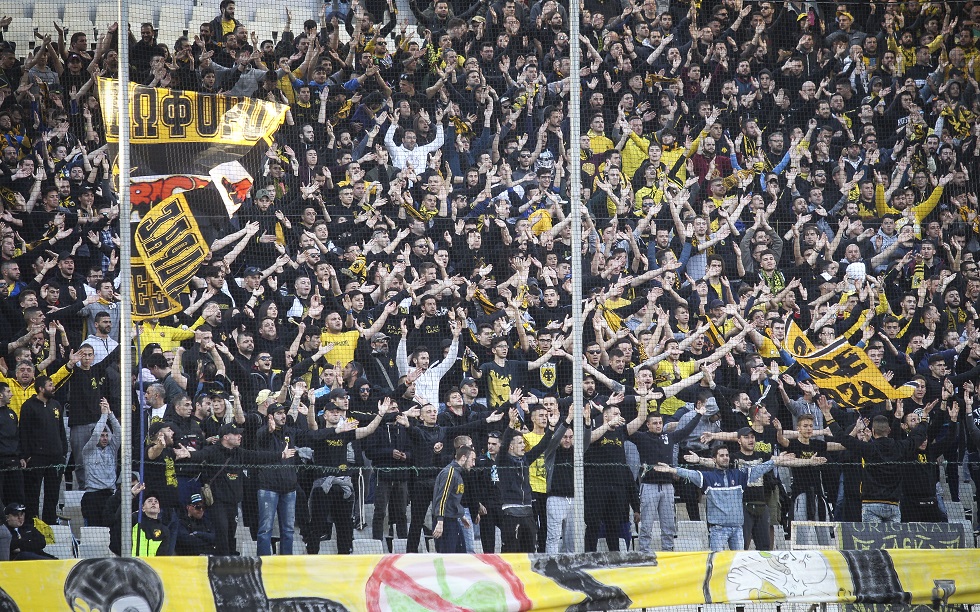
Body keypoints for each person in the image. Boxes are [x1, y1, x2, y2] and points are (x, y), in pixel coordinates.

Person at [654, 447, 795, 551]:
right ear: (714, 459)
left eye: (727, 455)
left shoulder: (739, 475)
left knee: (737, 562)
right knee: (716, 563)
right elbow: (690, 474)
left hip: (737, 529)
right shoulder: (708, 477)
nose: (725, 458)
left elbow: (759, 469)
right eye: (721, 455)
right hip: (718, 530)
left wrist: (775, 461)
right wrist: (672, 469)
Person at [187, 423, 297, 555]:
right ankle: (223, 562)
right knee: (222, 532)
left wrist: (281, 455)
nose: (240, 436)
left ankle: (229, 559)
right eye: (236, 434)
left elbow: (258, 456)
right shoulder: (213, 451)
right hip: (217, 502)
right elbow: (200, 455)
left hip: (233, 503)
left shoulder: (239, 453)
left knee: (230, 534)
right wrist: (189, 454)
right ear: (226, 437)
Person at [630, 401, 705, 552]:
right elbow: (626, 431)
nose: (658, 425)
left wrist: (698, 415)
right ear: (647, 425)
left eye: (660, 422)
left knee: (668, 524)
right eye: (655, 423)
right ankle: (644, 552)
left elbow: (686, 430)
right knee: (646, 524)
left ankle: (668, 551)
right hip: (649, 487)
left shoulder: (669, 437)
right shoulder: (641, 437)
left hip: (667, 487)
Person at [541, 407, 591, 553]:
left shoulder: (577, 452)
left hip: (575, 500)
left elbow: (586, 442)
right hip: (555, 499)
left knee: (572, 540)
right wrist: (568, 419)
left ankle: (571, 566)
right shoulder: (551, 451)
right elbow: (554, 439)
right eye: (565, 437)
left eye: (570, 437)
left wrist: (588, 423)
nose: (567, 440)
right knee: (553, 538)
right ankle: (551, 563)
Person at [80, 400, 121, 526]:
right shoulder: (88, 450)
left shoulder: (111, 449)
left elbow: (119, 432)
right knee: (94, 530)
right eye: (102, 436)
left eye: (106, 435)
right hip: (93, 495)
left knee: (111, 528)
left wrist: (110, 414)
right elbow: (96, 434)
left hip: (109, 495)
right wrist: (103, 415)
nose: (104, 438)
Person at [431, 445, 476, 553]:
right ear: (464, 457)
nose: (473, 464)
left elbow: (452, 499)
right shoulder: (449, 473)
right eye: (472, 460)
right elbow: (442, 498)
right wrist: (440, 521)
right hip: (445, 522)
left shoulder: (457, 473)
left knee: (460, 555)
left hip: (453, 520)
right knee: (447, 558)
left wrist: (460, 515)